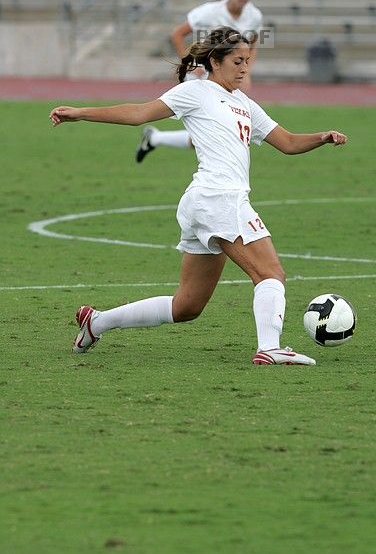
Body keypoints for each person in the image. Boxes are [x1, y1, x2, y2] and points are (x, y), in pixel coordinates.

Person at [50, 27, 348, 365]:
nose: (244, 69)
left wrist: (322, 137)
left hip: (205, 203)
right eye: (238, 61)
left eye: (247, 62)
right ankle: (269, 347)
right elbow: (138, 114)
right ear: (215, 62)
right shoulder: (196, 91)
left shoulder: (245, 104)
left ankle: (97, 322)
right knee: (270, 274)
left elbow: (288, 142)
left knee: (187, 306)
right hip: (218, 197)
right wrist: (80, 112)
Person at [135, 0, 263, 163]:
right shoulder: (210, 11)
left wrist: (246, 69)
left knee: (211, 132)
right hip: (202, 74)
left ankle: (154, 138)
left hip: (225, 75)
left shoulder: (254, 15)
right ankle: (156, 138)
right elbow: (177, 34)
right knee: (212, 130)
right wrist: (190, 63)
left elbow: (252, 44)